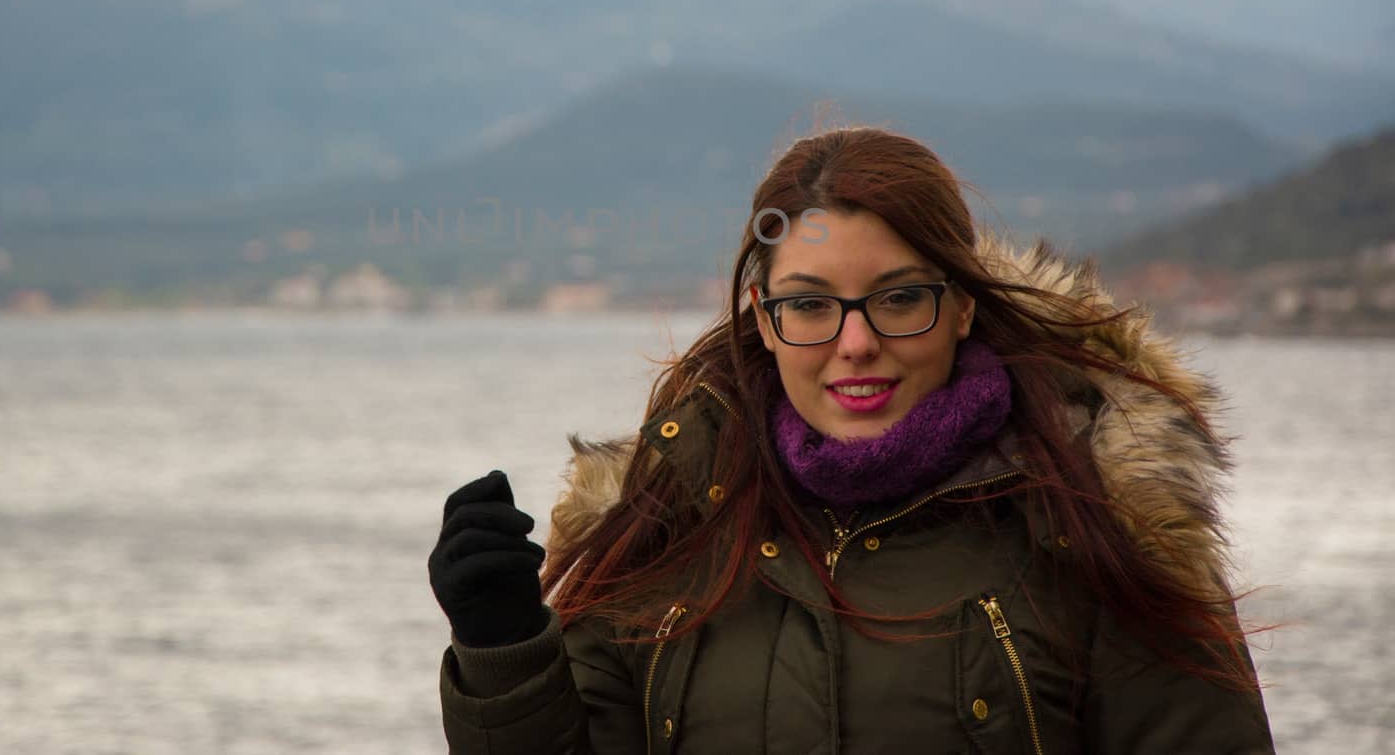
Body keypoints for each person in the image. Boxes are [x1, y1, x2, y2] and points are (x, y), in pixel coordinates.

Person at [427, 126, 1275, 754]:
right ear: (762, 318)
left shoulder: (1098, 521)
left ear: (964, 304)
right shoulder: (669, 520)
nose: (856, 342)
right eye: (809, 304)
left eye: (899, 298)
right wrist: (503, 646)